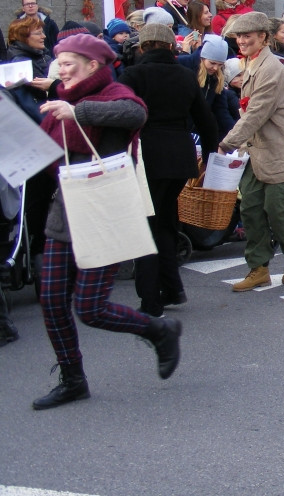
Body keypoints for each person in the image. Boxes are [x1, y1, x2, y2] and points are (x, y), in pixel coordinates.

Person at [32, 33, 181, 410]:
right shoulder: (61, 101)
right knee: (50, 299)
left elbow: (136, 114)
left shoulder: (113, 94)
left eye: (68, 63)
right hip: (65, 211)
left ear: (93, 65)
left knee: (91, 308)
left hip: (105, 212)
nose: (60, 70)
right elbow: (46, 156)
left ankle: (159, 330)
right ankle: (73, 378)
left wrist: (77, 113)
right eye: (59, 63)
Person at [119, 23, 219, 317]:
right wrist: (210, 158)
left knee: (147, 226)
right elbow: (206, 120)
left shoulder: (132, 75)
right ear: (170, 47)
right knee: (165, 222)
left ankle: (150, 299)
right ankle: (173, 288)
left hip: (146, 156)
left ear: (143, 46)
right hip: (180, 156)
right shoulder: (185, 75)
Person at [220, 12, 284, 292]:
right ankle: (258, 268)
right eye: (238, 36)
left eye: (248, 36)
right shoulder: (249, 63)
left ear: (263, 37)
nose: (242, 41)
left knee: (277, 206)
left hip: (281, 146)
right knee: (250, 207)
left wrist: (227, 142)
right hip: (258, 149)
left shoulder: (270, 68)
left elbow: (256, 113)